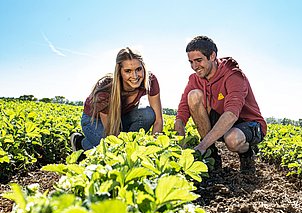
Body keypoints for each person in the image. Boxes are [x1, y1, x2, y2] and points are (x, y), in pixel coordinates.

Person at [174, 36, 267, 173]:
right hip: (222, 122)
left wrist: (201, 146)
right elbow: (181, 114)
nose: (194, 67)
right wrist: (179, 148)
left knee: (233, 139)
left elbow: (231, 114)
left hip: (248, 124)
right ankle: (211, 156)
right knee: (193, 96)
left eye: (199, 60)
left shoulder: (233, 75)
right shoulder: (194, 79)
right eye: (191, 62)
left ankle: (246, 153)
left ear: (212, 56)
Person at [70, 47, 163, 151]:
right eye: (128, 71)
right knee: (109, 148)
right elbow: (112, 132)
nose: (135, 76)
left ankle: (128, 145)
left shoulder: (150, 80)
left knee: (148, 114)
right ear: (119, 72)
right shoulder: (106, 89)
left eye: (138, 69)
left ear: (143, 67)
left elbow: (158, 120)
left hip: (121, 116)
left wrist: (155, 148)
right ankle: (80, 143)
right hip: (94, 120)